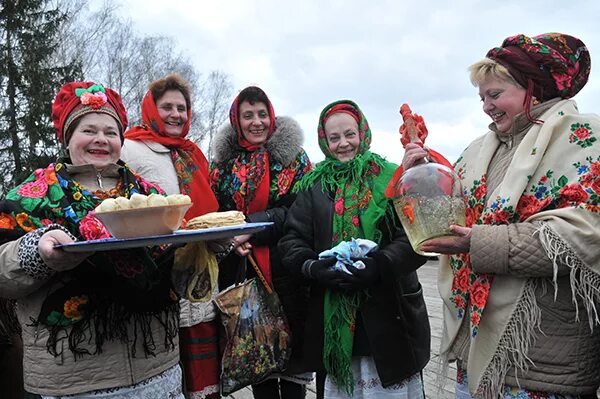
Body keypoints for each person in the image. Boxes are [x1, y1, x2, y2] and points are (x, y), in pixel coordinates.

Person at [403, 33, 600, 398]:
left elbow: (583, 235)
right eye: (481, 97)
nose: (486, 107)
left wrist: (475, 241)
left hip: (539, 358)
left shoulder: (586, 139)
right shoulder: (480, 149)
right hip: (475, 350)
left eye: (494, 95)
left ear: (533, 88)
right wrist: (423, 176)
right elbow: (451, 211)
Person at [0, 82, 183, 397]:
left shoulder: (152, 196)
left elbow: (177, 271)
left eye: (111, 133)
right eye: (88, 130)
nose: (101, 139)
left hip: (157, 366)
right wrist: (37, 253)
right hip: (75, 379)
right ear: (68, 137)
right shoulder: (31, 197)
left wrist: (209, 251)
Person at [278, 100, 430, 399]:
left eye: (349, 134)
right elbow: (291, 240)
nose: (343, 143)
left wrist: (380, 265)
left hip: (389, 313)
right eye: (334, 138)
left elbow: (416, 237)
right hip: (332, 309)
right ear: (324, 140)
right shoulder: (314, 185)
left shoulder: (392, 176)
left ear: (363, 132)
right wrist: (313, 267)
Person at [121, 73, 221, 399]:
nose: (176, 114)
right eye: (167, 107)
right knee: (162, 360)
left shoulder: (193, 153)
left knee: (201, 367)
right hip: (155, 272)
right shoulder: (130, 148)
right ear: (151, 107)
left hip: (200, 271)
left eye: (182, 107)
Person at [209, 85, 312, 399]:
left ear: (272, 115)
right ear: (236, 121)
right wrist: (230, 239)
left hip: (287, 267)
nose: (256, 122)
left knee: (293, 363)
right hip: (241, 268)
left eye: (262, 114)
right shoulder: (222, 167)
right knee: (258, 356)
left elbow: (301, 211)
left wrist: (250, 227)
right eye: (248, 115)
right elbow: (217, 213)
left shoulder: (294, 159)